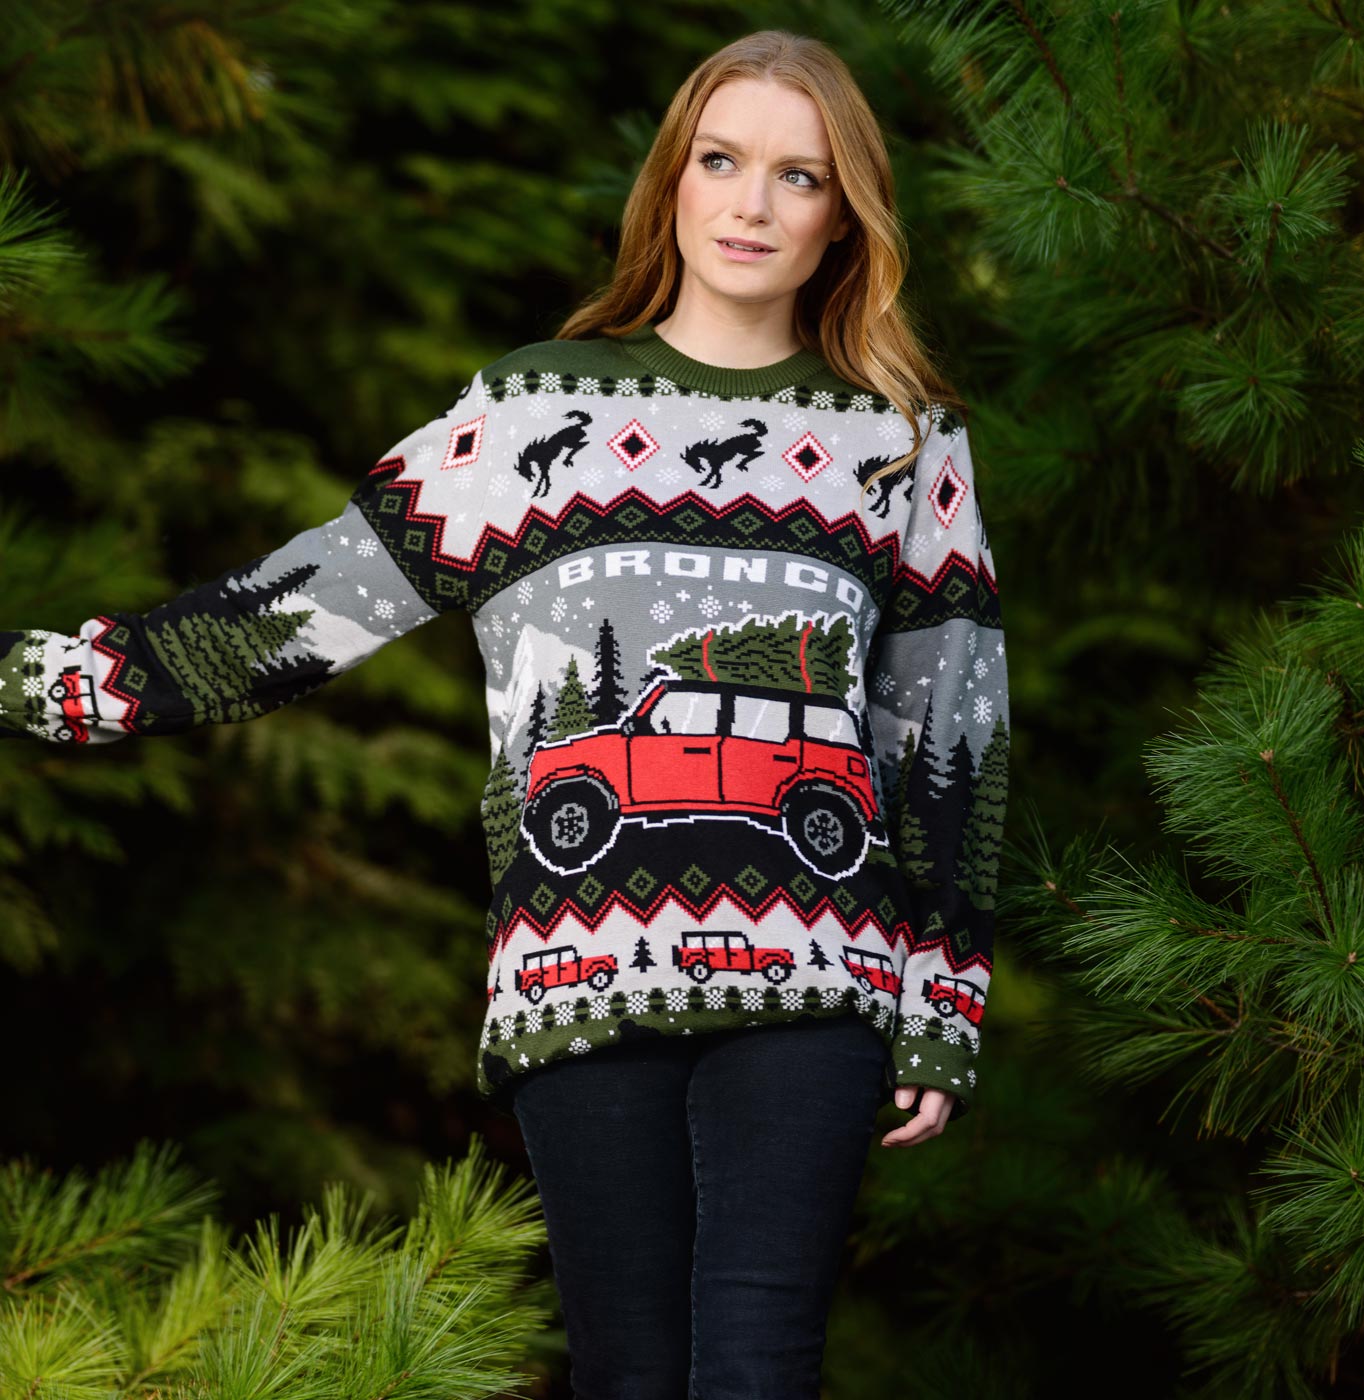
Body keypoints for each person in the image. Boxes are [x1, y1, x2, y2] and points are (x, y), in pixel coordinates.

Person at [0, 27, 1009, 1398]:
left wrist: (939, 993)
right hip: (578, 970)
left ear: (846, 218)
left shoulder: (903, 439)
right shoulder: (532, 414)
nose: (752, 204)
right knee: (626, 1375)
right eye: (721, 161)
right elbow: (306, 602)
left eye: (799, 176)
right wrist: (50, 682)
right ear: (673, 181)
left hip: (817, 984)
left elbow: (947, 730)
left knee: (760, 1368)